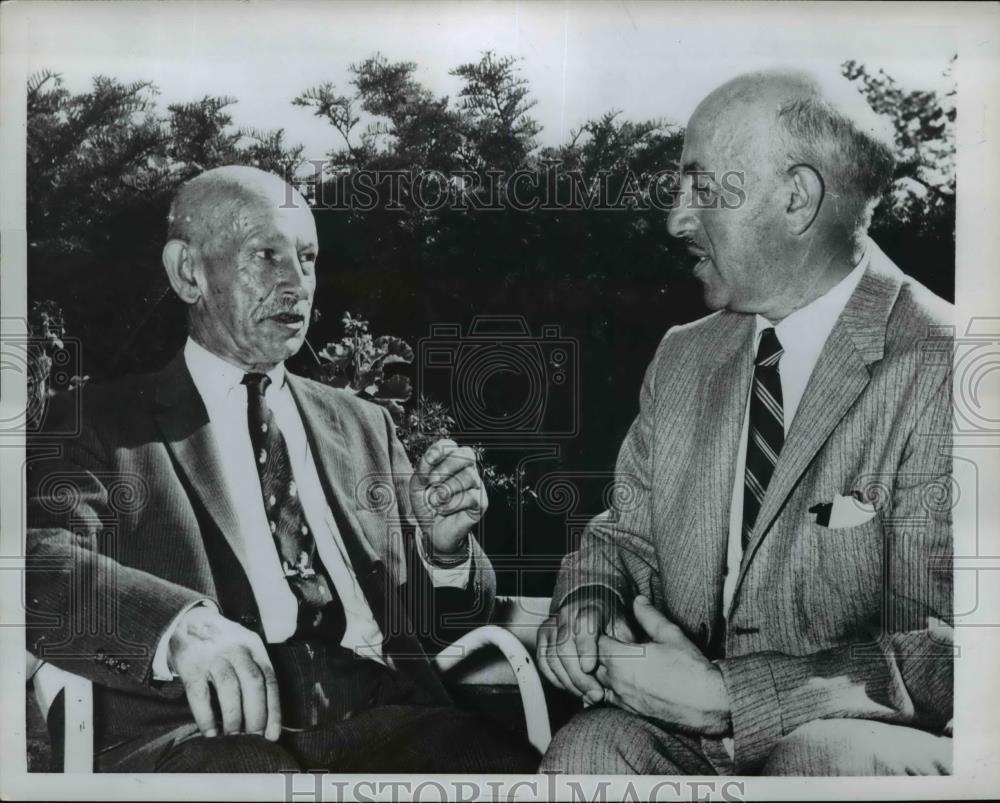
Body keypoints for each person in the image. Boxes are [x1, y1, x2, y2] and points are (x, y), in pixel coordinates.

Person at [26, 165, 538, 773]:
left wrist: (445, 550)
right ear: (188, 272)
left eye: (308, 257)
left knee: (494, 761)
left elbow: (444, 623)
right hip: (202, 733)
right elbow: (29, 559)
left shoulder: (364, 424)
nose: (297, 283)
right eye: (265, 254)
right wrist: (176, 627)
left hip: (382, 715)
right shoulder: (95, 422)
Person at [537, 68, 954, 776]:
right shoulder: (683, 357)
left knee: (820, 758)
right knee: (590, 749)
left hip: (861, 742)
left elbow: (958, 649)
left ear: (796, 198)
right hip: (700, 741)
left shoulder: (952, 364)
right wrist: (590, 599)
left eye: (702, 187)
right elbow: (623, 535)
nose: (675, 218)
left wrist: (732, 697)